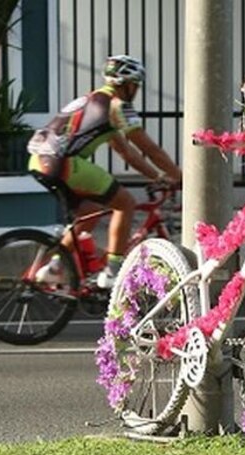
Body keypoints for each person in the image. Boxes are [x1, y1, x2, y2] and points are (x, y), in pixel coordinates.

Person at [27, 54, 181, 288]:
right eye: (136, 85)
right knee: (125, 203)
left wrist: (158, 177)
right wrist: (179, 177)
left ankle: (55, 267)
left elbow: (128, 154)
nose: (136, 90)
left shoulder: (92, 102)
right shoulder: (118, 105)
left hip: (39, 161)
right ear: (127, 84)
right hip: (64, 162)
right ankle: (112, 271)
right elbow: (147, 147)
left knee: (90, 211)